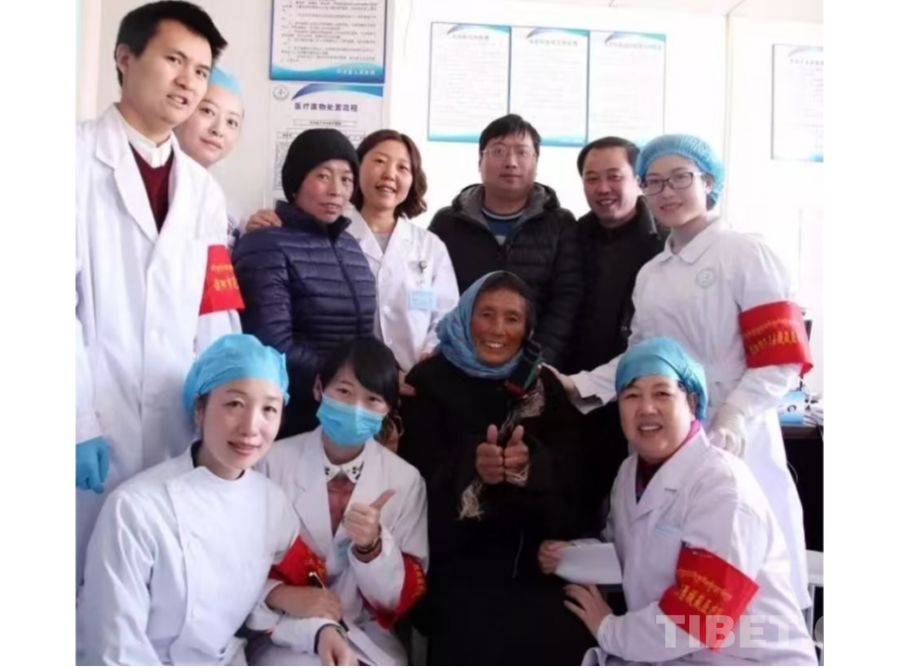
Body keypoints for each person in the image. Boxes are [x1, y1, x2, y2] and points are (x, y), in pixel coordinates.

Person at [554, 135, 814, 609]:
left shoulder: (747, 253)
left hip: (737, 437)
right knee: (671, 572)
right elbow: (641, 355)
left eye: (679, 178)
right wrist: (581, 385)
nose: (666, 192)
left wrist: (734, 415)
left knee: (742, 581)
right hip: (665, 434)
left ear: (709, 181)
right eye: (654, 182)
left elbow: (780, 358)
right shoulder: (653, 273)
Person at [75, 0, 241, 600]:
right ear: (125, 58)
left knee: (159, 584)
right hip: (93, 413)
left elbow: (214, 311)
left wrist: (229, 405)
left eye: (201, 70)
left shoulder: (202, 191)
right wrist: (78, 420)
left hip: (174, 420)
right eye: (174, 60)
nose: (188, 81)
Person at [75, 335, 356, 667]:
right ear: (199, 409)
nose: (251, 427)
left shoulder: (272, 505)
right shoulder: (135, 509)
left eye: (269, 409)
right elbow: (112, 647)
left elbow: (253, 598)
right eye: (235, 404)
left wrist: (320, 631)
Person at [558, 337, 818, 666]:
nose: (646, 408)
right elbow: (632, 550)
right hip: (673, 651)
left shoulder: (723, 488)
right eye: (632, 394)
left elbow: (703, 619)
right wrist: (570, 554)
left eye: (662, 393)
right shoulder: (629, 474)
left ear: (692, 401)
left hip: (749, 657)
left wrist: (610, 629)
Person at [399, 272, 594, 667]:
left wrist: (530, 468)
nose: (498, 330)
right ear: (465, 315)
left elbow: (575, 476)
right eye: (486, 314)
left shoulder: (542, 385)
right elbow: (410, 478)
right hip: (453, 560)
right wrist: (471, 467)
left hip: (531, 560)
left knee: (559, 632)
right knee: (473, 633)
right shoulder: (429, 381)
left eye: (512, 318)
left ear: (528, 327)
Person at [248, 337, 428, 667]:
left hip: (366, 638)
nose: (356, 408)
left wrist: (372, 549)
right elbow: (237, 564)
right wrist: (280, 594)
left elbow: (397, 600)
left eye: (373, 399)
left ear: (389, 408)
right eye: (344, 391)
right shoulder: (270, 463)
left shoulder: (405, 481)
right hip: (283, 630)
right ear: (319, 388)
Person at [232, 129, 377, 439]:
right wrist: (343, 380)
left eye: (347, 179)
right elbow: (271, 342)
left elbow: (364, 334)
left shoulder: (350, 246)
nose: (336, 190)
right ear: (296, 182)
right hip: (291, 415)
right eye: (323, 176)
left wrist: (374, 379)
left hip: (348, 411)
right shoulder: (265, 243)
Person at [568, 137, 668, 529]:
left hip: (641, 395)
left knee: (638, 511)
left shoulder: (665, 241)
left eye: (614, 176)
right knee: (578, 505)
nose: (603, 188)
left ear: (638, 180)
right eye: (592, 178)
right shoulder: (572, 235)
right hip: (577, 394)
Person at [427, 115, 582, 367]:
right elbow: (432, 295)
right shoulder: (447, 223)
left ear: (536, 162)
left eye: (522, 152)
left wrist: (535, 363)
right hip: (457, 360)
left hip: (535, 364)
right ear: (480, 161)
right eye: (498, 151)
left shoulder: (560, 224)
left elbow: (567, 301)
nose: (511, 162)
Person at [347, 130, 459, 384]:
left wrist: (426, 360)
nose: (389, 174)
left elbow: (446, 315)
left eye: (403, 168)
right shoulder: (334, 237)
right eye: (379, 161)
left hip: (416, 379)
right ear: (357, 167)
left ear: (413, 180)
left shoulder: (430, 246)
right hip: (352, 381)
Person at [174, 66, 245, 245]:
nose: (218, 130)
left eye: (232, 122)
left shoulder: (228, 210)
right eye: (208, 111)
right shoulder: (148, 181)